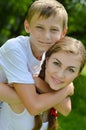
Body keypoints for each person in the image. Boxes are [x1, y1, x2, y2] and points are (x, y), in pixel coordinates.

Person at [0, 0, 73, 129]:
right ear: (27, 26)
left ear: (63, 33)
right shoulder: (14, 48)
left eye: (54, 30)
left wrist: (37, 84)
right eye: (39, 27)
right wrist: (66, 90)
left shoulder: (52, 56)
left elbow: (66, 109)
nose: (46, 36)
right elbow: (34, 106)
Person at [0, 36, 86, 130]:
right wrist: (66, 90)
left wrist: (40, 84)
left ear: (77, 75)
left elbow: (66, 109)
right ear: (47, 60)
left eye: (70, 70)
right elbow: (36, 106)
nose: (60, 75)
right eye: (56, 63)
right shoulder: (22, 89)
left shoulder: (55, 94)